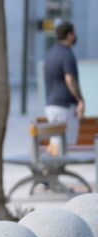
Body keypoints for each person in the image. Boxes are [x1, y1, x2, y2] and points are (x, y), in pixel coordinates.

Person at [43, 21, 85, 154]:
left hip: (51, 104)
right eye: (74, 33)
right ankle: (54, 166)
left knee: (56, 142)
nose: (75, 36)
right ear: (69, 35)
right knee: (66, 145)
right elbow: (69, 79)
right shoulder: (67, 54)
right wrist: (79, 100)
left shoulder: (50, 53)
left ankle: (53, 166)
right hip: (65, 106)